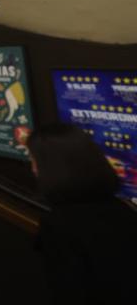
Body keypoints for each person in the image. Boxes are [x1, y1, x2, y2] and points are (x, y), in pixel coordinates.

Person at [28, 123, 137, 304]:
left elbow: (69, 291)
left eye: (34, 161)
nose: (33, 168)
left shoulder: (59, 225)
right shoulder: (123, 209)